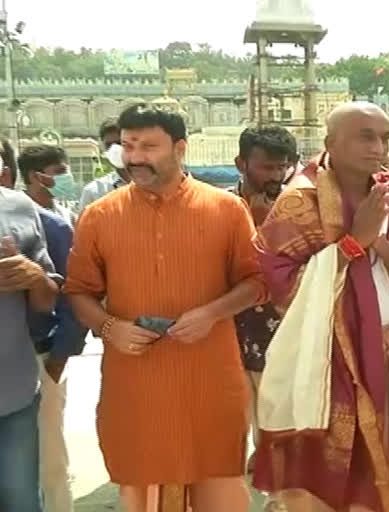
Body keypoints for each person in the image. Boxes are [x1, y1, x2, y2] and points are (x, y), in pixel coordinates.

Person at [252, 102, 389, 512]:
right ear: (330, 143)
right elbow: (281, 285)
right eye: (366, 136)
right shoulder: (298, 202)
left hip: (388, 352)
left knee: (383, 459)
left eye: (385, 137)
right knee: (320, 468)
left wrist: (382, 245)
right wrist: (354, 242)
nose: (378, 146)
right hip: (322, 359)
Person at [65, 103, 269, 512]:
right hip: (137, 382)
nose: (135, 157)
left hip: (209, 378)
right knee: (142, 488)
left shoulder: (226, 210)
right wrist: (109, 328)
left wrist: (211, 313)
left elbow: (258, 282)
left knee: (219, 487)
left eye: (148, 146)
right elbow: (78, 292)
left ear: (180, 148)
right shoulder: (99, 216)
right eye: (128, 145)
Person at [2, 139, 87, 512]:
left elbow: (57, 295)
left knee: (26, 494)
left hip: (15, 386)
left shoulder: (21, 211)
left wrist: (34, 277)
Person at [229, 125, 295, 482]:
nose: (275, 176)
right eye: (266, 167)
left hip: (281, 330)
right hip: (229, 330)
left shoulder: (297, 207)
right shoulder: (219, 207)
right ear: (241, 163)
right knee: (234, 419)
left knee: (279, 418)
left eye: (280, 167)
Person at [0, 183, 61, 512]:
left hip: (13, 394)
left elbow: (45, 299)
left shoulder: (17, 206)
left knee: (21, 501)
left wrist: (34, 276)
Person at [18, 145, 79, 227]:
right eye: (59, 171)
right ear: (34, 176)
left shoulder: (68, 217)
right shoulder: (15, 215)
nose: (67, 176)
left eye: (67, 171)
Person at [78, 118, 131, 211]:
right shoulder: (94, 192)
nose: (115, 149)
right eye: (108, 145)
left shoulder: (154, 186)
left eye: (120, 143)